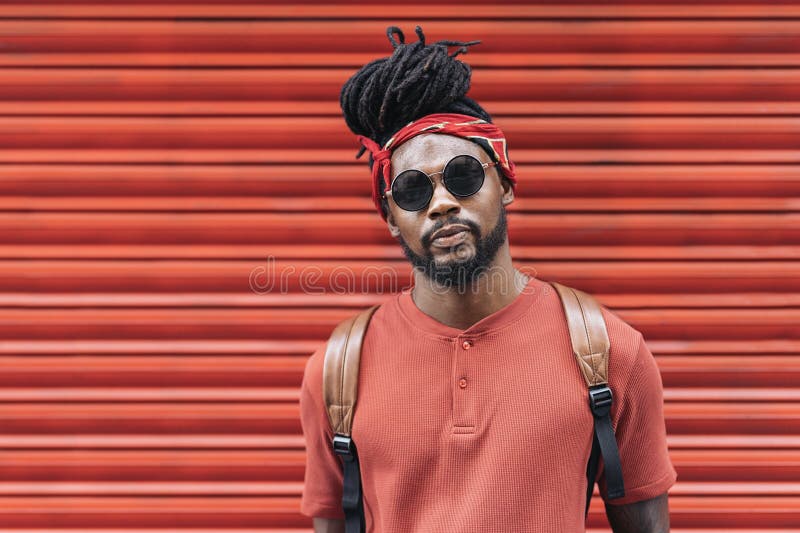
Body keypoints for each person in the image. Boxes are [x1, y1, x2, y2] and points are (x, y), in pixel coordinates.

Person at [299, 25, 677, 533]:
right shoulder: (339, 367)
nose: (441, 203)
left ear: (505, 182)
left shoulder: (609, 351)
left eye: (463, 175)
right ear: (390, 216)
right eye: (412, 190)